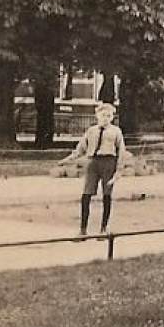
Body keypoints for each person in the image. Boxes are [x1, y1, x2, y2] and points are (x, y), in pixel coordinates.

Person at [57, 102, 132, 237]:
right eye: (103, 115)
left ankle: (104, 228)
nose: (106, 118)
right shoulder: (91, 131)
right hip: (93, 162)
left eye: (109, 116)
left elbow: (121, 151)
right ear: (97, 116)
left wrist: (118, 171)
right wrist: (67, 160)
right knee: (86, 194)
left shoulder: (116, 131)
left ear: (112, 117)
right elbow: (80, 149)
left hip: (109, 162)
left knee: (107, 195)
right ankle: (83, 229)